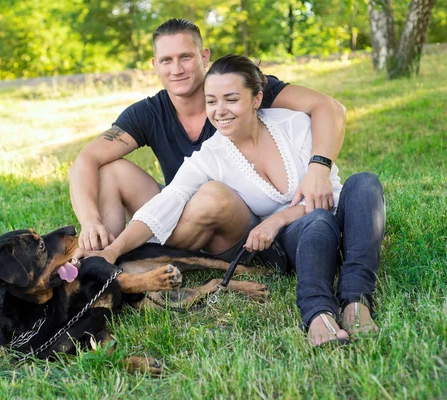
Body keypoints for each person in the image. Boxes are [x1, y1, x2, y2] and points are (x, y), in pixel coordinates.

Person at [80, 54, 385, 346]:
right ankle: (318, 313)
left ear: (256, 99)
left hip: (333, 223)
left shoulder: (294, 125)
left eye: (231, 99)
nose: (219, 110)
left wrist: (282, 212)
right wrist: (113, 250)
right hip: (293, 242)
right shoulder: (210, 157)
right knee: (316, 220)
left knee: (364, 183)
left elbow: (328, 195)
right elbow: (167, 201)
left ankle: (355, 301)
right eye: (211, 101)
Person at [69, 18, 347, 267]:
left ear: (204, 56)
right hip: (181, 205)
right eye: (166, 60)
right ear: (154, 65)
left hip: (237, 215)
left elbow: (329, 108)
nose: (176, 69)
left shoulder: (237, 87)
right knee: (110, 169)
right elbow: (86, 159)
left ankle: (139, 258)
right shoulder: (148, 112)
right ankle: (102, 257)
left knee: (212, 195)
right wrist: (91, 221)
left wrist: (319, 169)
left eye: (185, 57)